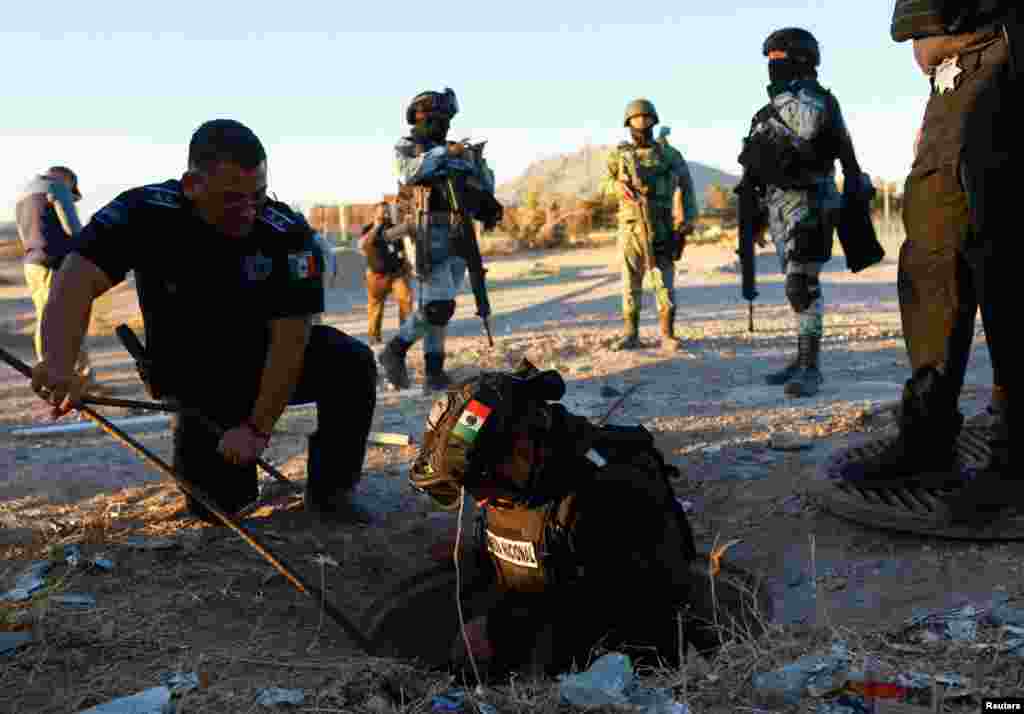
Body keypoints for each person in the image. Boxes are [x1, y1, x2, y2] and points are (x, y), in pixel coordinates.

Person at [29, 119, 378, 523]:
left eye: (257, 197)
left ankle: (331, 492)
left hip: (263, 359)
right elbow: (76, 278)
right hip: (195, 375)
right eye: (232, 200)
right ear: (192, 184)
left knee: (351, 361)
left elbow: (291, 340)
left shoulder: (284, 232)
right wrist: (58, 363)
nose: (248, 212)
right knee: (220, 510)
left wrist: (257, 429)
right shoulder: (145, 212)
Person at [408, 360, 729, 678]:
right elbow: (532, 547)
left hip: (613, 675)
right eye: (475, 487)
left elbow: (618, 608)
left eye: (487, 480)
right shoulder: (520, 479)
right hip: (538, 641)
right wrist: (477, 547)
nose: (483, 498)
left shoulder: (609, 489)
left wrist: (499, 629)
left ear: (523, 439)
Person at [840, 2, 1014, 522]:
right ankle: (927, 438)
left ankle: (1017, 456)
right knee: (931, 261)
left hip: (1007, 61)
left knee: (1006, 260)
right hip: (953, 81)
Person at [739, 28, 872, 398]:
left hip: (812, 201)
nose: (770, 68)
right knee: (793, 284)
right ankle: (801, 359)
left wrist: (855, 192)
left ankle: (811, 367)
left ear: (799, 59)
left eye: (777, 59)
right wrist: (756, 216)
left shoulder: (817, 102)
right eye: (768, 61)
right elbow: (755, 167)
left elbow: (833, 143)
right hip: (780, 206)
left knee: (802, 283)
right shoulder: (767, 110)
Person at [378, 87, 501, 394]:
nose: (444, 124)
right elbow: (406, 173)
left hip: (460, 229)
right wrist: (447, 153)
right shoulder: (409, 146)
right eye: (439, 118)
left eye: (448, 118)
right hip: (426, 229)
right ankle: (394, 350)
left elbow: (481, 183)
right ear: (422, 117)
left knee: (443, 307)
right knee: (437, 305)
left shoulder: (456, 150)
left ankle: (435, 371)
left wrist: (482, 178)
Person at [602, 100, 697, 353]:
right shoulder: (618, 156)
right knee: (630, 283)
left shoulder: (669, 154)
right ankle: (630, 334)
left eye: (646, 119)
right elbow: (604, 184)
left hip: (662, 226)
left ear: (654, 122)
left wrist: (687, 221)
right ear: (628, 123)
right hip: (630, 227)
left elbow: (687, 186)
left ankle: (667, 333)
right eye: (636, 120)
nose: (641, 124)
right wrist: (617, 187)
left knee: (664, 282)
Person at [15, 166, 95, 385]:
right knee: (67, 318)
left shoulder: (24, 194)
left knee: (46, 317)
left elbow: (24, 233)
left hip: (32, 262)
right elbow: (74, 229)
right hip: (56, 262)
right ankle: (72, 378)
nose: (71, 194)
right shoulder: (56, 186)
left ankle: (55, 373)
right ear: (68, 180)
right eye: (72, 190)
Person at [358, 201, 413, 345]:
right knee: (376, 307)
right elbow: (363, 245)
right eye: (383, 211)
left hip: (397, 273)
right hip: (377, 275)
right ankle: (374, 336)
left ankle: (405, 335)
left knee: (405, 300)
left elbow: (404, 245)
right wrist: (376, 226)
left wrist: (407, 264)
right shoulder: (368, 229)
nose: (386, 214)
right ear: (375, 213)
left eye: (388, 211)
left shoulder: (393, 228)